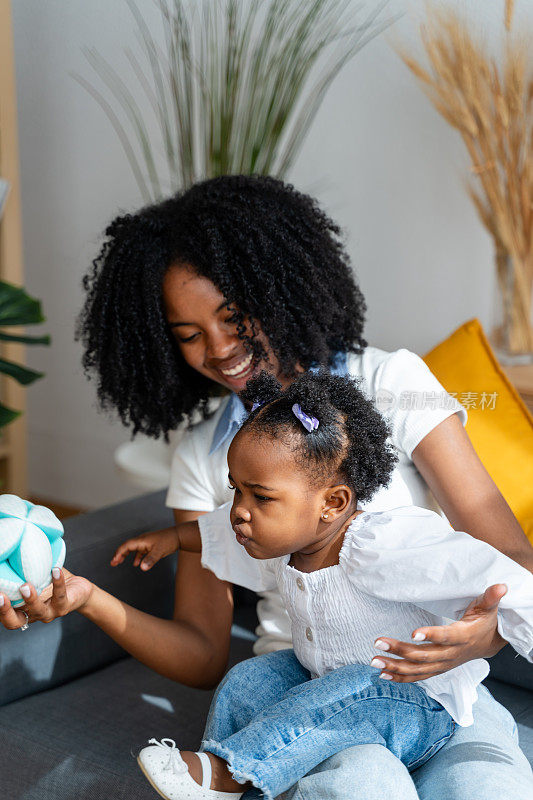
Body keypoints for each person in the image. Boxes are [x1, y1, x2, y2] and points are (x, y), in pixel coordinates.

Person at [1, 175, 532, 799]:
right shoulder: (205, 456)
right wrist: (89, 598)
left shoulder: (392, 381)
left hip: (442, 692)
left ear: (277, 287)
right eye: (189, 336)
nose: (219, 350)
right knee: (362, 788)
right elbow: (203, 651)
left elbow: (507, 553)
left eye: (233, 317)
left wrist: (490, 630)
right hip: (312, 705)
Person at [134, 371, 533, 800]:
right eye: (236, 492)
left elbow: (503, 578)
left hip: (421, 706)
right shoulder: (286, 544)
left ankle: (230, 770)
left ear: (334, 503)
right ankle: (225, 788)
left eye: (260, 497)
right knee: (247, 680)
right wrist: (176, 538)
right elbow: (220, 533)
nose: (239, 511)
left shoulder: (384, 542)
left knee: (357, 687)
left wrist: (496, 624)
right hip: (328, 684)